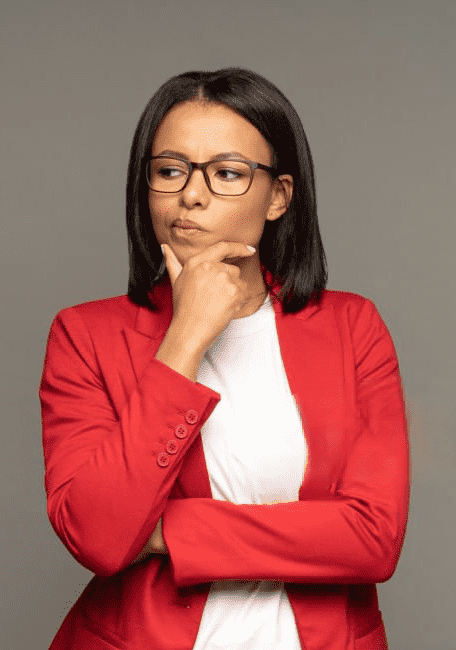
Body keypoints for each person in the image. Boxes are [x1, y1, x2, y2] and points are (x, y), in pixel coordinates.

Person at [38, 67, 410, 650]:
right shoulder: (86, 335)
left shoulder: (352, 327)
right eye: (170, 170)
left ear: (279, 196)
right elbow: (100, 536)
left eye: (228, 173)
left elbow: (372, 538)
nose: (192, 194)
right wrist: (184, 337)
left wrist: (165, 533)